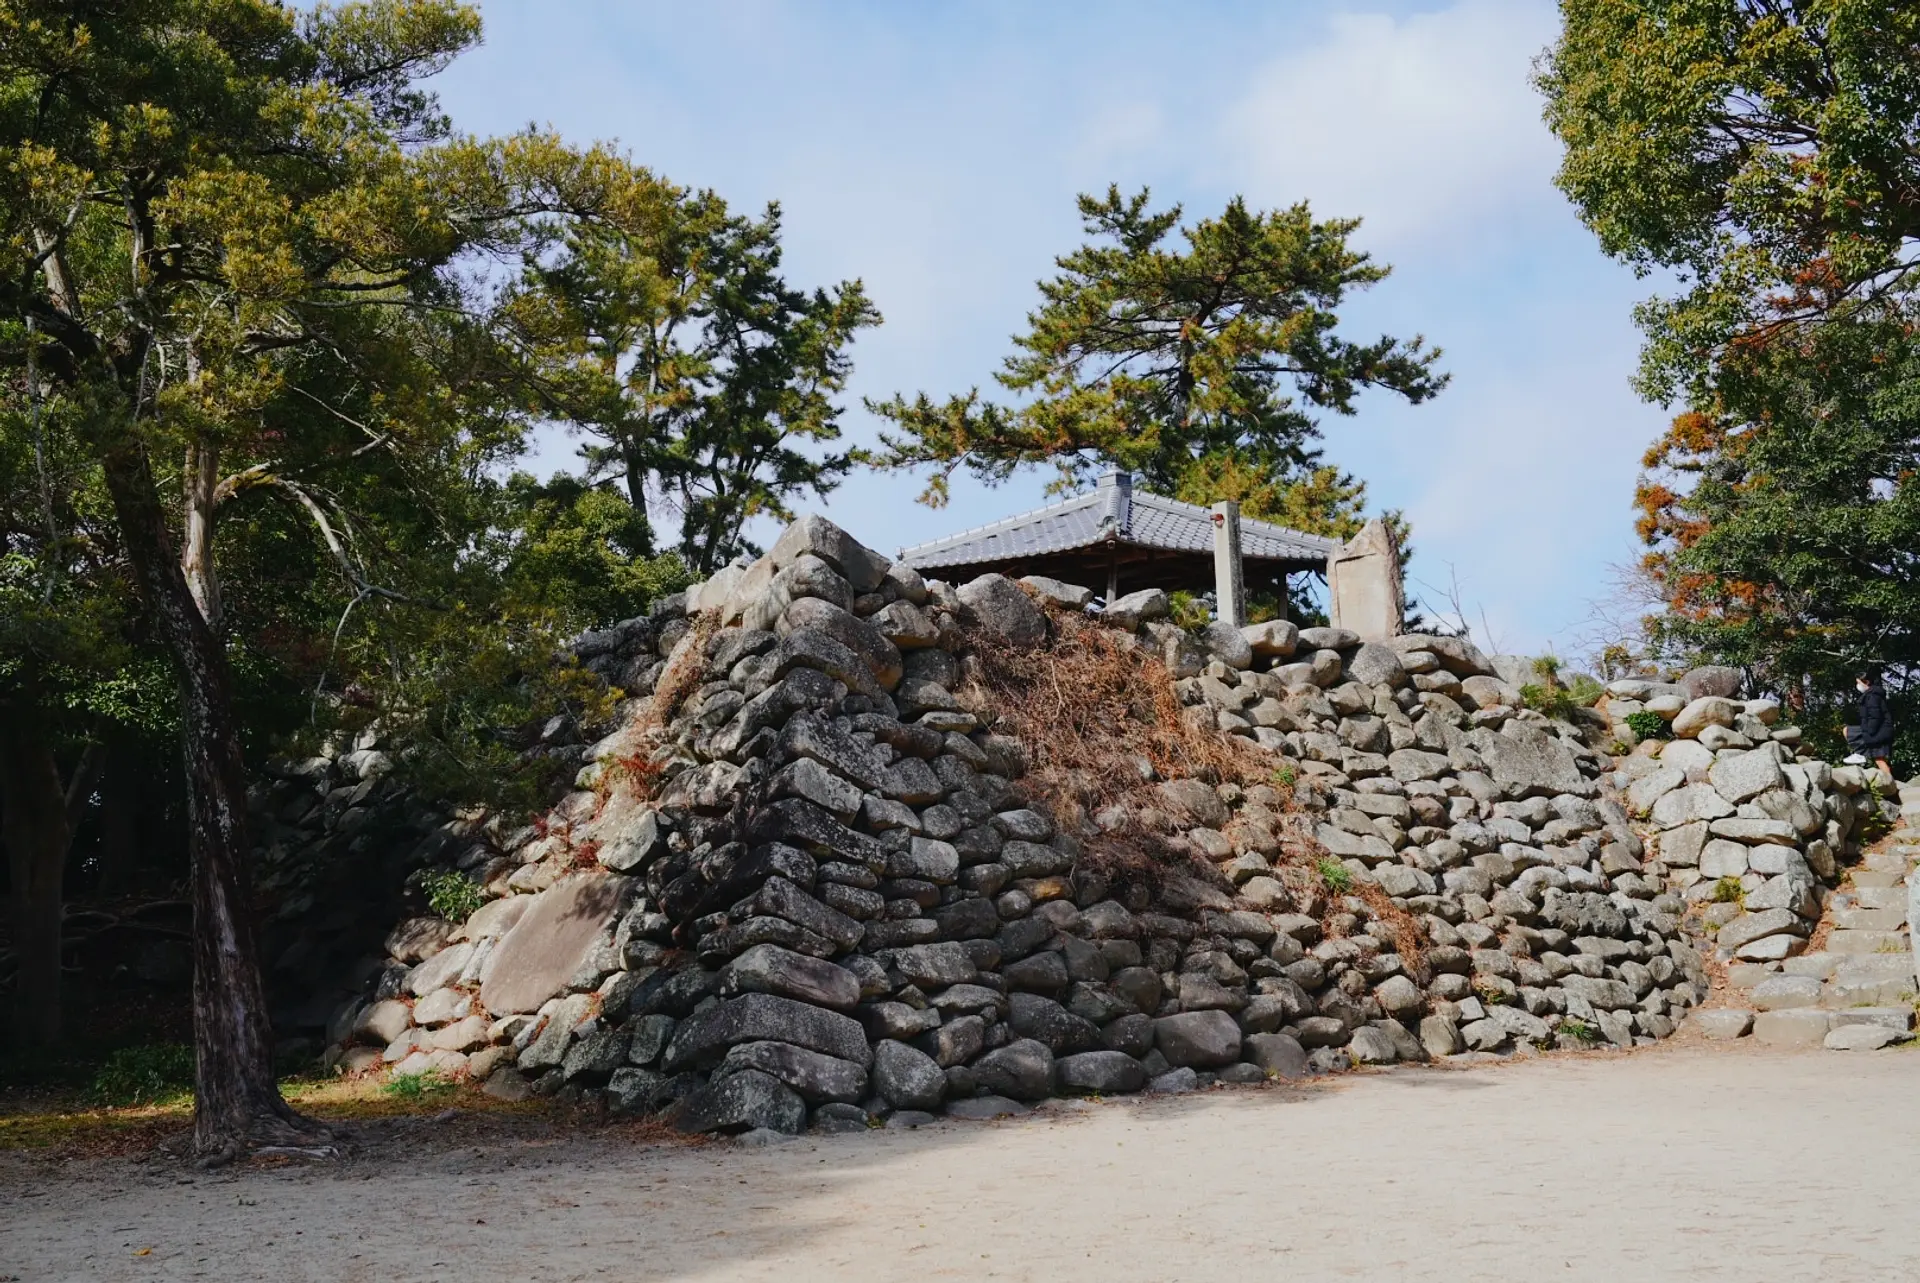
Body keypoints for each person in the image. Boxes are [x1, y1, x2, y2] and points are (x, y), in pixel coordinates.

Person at [1842, 670, 1893, 774]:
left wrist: (1869, 732)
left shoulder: (1872, 696)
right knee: (1879, 759)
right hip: (1878, 729)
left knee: (1879, 759)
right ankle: (1860, 753)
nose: (1857, 685)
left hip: (1878, 731)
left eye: (1858, 683)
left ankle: (1860, 753)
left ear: (1866, 682)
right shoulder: (1871, 694)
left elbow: (1875, 716)